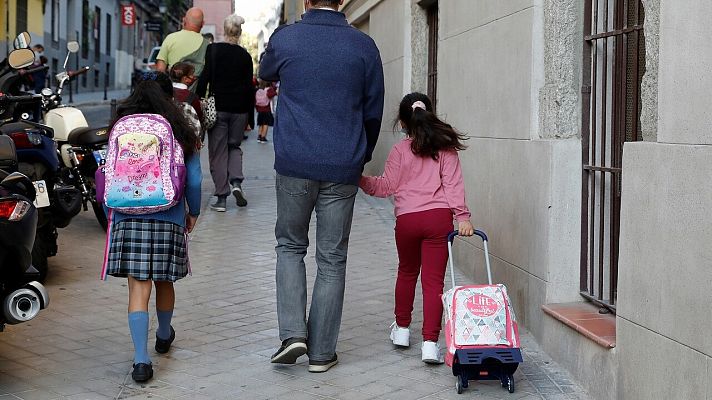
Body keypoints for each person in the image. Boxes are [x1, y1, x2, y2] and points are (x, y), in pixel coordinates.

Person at [259, 0, 384, 373]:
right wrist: (360, 155)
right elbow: (373, 110)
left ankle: (293, 333)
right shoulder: (364, 45)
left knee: (290, 246)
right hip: (343, 163)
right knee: (332, 258)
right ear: (342, 1)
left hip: (295, 161)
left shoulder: (288, 38)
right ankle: (321, 353)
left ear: (307, 2)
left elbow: (266, 70)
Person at [359, 93, 474, 364]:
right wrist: (463, 217)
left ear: (402, 123)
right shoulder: (445, 148)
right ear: (430, 115)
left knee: (407, 272)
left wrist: (359, 180)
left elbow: (386, 186)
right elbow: (453, 186)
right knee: (434, 282)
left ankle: (401, 331)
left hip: (408, 221)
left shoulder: (400, 150)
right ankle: (430, 345)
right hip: (438, 220)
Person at [103, 71, 202, 383]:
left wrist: (112, 212)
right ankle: (162, 334)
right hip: (168, 214)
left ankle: (141, 361)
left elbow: (107, 171)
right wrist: (193, 212)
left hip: (127, 216)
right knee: (163, 281)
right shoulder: (180, 128)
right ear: (168, 96)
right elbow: (196, 178)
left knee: (137, 287)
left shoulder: (120, 127)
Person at [196, 14, 254, 212]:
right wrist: (251, 118)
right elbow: (249, 87)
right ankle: (236, 182)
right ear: (239, 32)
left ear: (225, 29)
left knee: (218, 152)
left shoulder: (213, 50)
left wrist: (196, 99)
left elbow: (205, 77)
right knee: (234, 147)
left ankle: (221, 197)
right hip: (240, 110)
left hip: (218, 107)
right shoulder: (245, 56)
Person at [155, 7, 209, 88]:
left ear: (184, 20)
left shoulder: (170, 38)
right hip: (196, 96)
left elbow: (160, 70)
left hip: (173, 93)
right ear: (202, 24)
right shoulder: (208, 45)